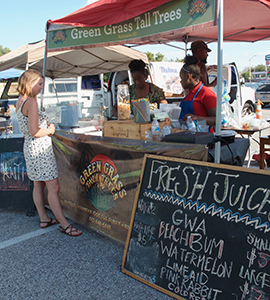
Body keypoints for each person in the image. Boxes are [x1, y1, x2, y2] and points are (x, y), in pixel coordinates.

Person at [16, 70, 82, 237]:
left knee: (38, 184)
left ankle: (44, 218)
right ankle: (65, 224)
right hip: (40, 150)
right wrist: (50, 130)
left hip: (30, 148)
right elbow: (34, 131)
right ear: (30, 84)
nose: (41, 87)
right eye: (39, 84)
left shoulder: (20, 101)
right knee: (54, 188)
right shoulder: (31, 102)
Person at [179, 55, 217, 128]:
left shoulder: (206, 93)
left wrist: (197, 118)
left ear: (188, 76)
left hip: (204, 136)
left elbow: (217, 119)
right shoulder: (189, 94)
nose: (181, 81)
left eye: (182, 78)